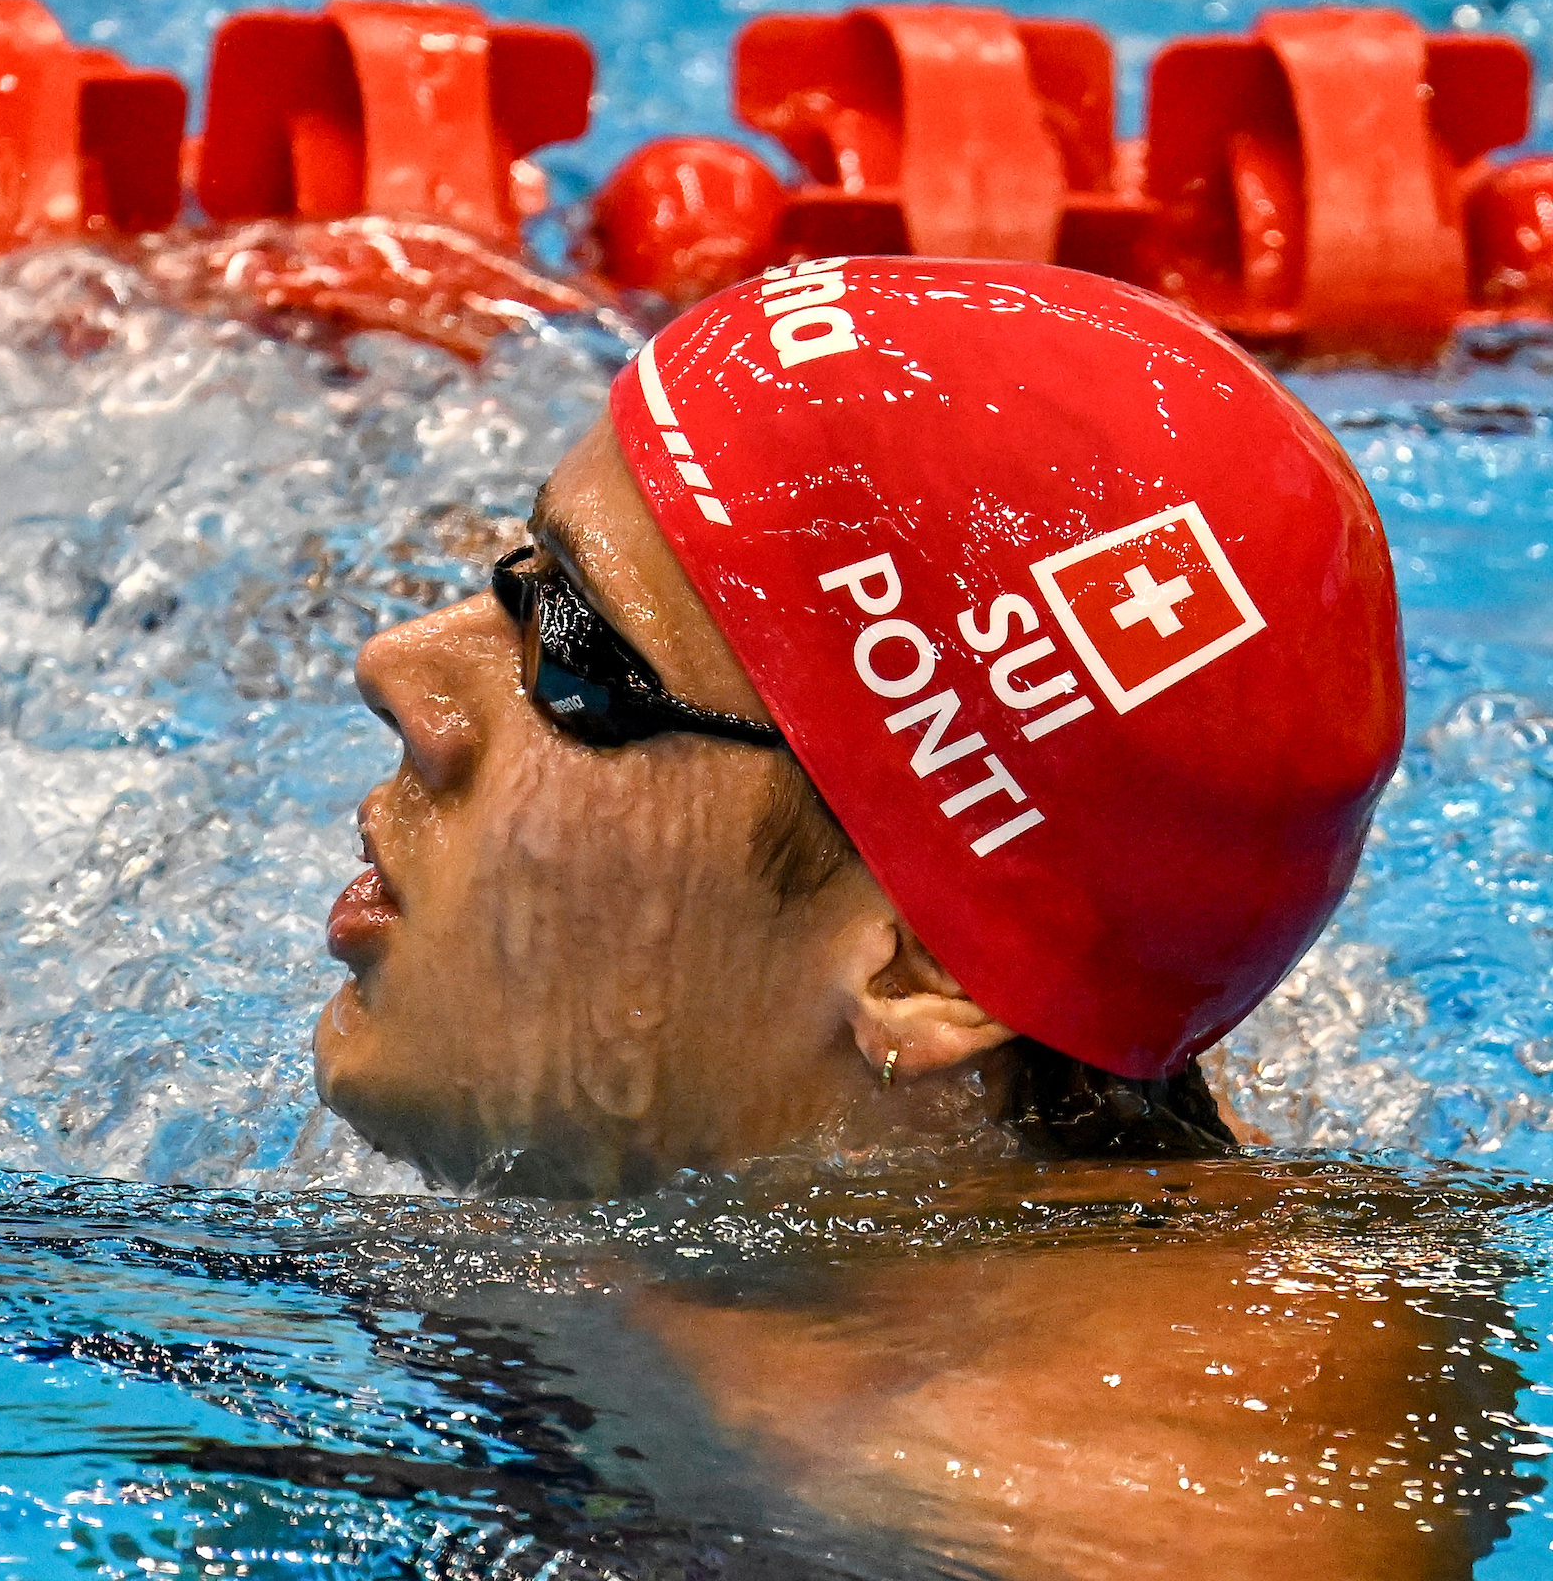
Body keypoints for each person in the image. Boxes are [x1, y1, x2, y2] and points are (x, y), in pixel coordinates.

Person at [310, 260, 1528, 1577]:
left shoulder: (1096, 1502)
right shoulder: (695, 1226)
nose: (400, 669)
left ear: (925, 970)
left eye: (578, 653)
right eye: (524, 572)